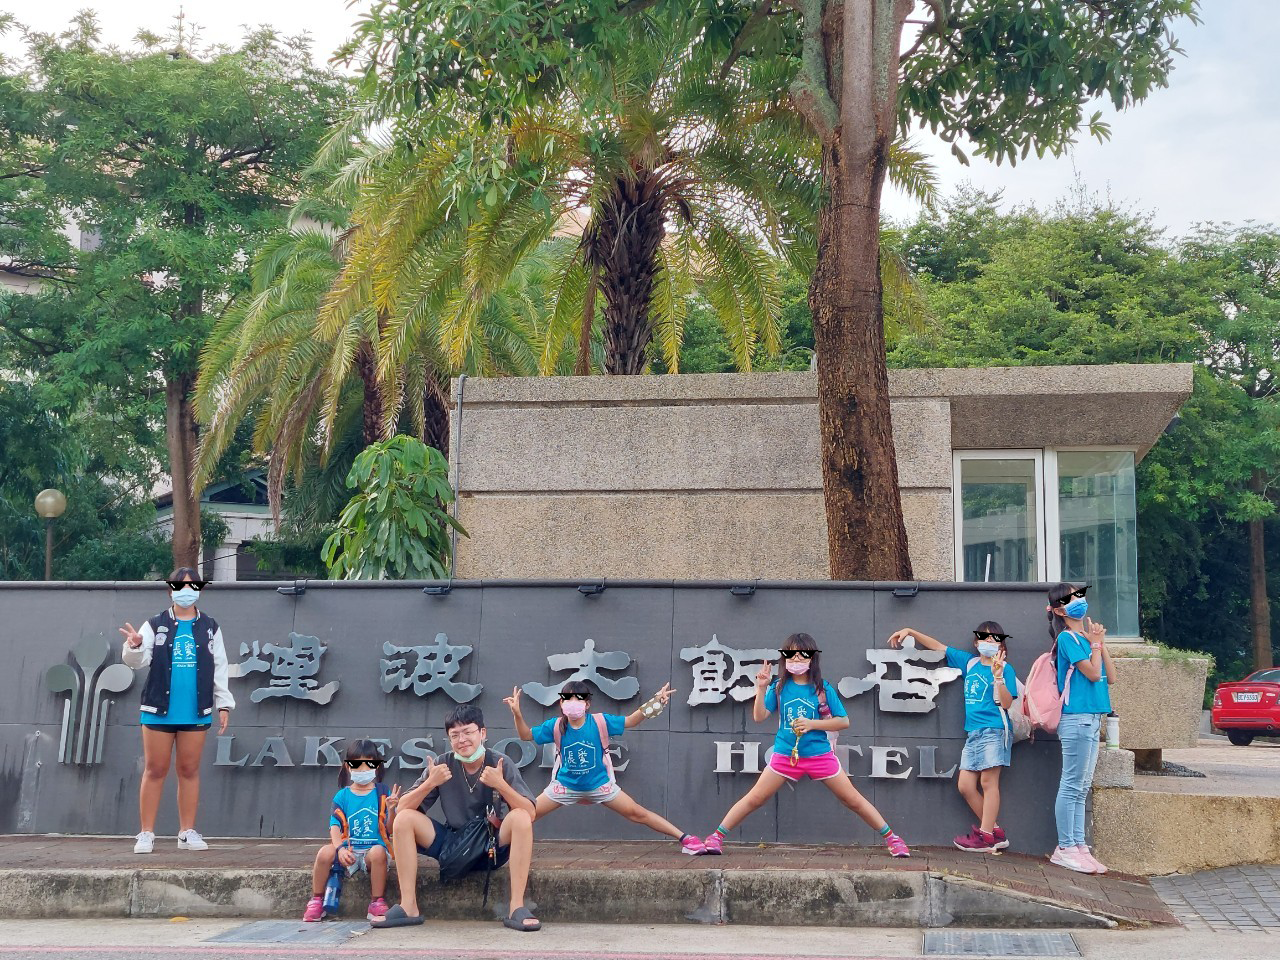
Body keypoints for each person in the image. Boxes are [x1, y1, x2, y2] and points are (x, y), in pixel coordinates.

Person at [701, 632, 911, 857]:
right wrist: (761, 688)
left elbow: (844, 721)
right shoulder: (779, 688)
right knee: (756, 798)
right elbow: (760, 716)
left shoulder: (822, 688)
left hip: (819, 755)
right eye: (791, 654)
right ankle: (716, 837)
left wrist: (812, 724)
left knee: (852, 799)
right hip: (785, 754)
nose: (797, 660)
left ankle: (893, 839)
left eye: (802, 655)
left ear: (812, 658)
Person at [372, 705, 541, 932]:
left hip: (491, 846)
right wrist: (431, 783)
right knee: (404, 820)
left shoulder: (500, 762)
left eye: (468, 732)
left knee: (519, 816)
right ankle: (408, 905)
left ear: (483, 733)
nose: (462, 740)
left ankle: (516, 907)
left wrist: (500, 785)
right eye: (455, 735)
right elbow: (401, 810)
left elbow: (530, 813)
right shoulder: (442, 764)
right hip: (453, 844)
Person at [504, 680, 706, 855]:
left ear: (587, 703)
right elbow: (525, 736)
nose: (572, 703)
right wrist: (517, 714)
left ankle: (685, 839)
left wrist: (656, 703)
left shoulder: (600, 721)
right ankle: (493, 846)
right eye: (567, 698)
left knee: (637, 813)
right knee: (527, 814)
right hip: (564, 786)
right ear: (561, 702)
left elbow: (631, 720)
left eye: (578, 698)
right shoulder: (555, 726)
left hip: (599, 785)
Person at [119, 567, 233, 854]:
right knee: (155, 769)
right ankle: (146, 833)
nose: (186, 592)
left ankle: (187, 831)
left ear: (200, 590)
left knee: (189, 770)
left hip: (196, 710)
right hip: (158, 708)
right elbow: (137, 660)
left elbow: (219, 666)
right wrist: (133, 646)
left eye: (193, 586)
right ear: (169, 590)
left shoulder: (210, 626)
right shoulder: (154, 624)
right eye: (180, 586)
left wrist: (224, 703)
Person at [886, 622, 1020, 853]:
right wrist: (911, 630)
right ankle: (995, 832)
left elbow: (1007, 704)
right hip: (973, 733)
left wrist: (998, 677)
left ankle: (986, 836)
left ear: (1001, 643)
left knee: (988, 783)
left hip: (994, 730)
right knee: (966, 786)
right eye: (984, 638)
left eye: (994, 639)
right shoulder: (970, 662)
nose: (989, 642)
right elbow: (939, 647)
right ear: (976, 642)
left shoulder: (1005, 669)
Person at [1046, 582, 1115, 875]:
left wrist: (1099, 642)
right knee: (1072, 784)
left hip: (1092, 717)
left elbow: (1110, 677)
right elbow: (1093, 672)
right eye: (1072, 598)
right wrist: (1095, 645)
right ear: (1060, 609)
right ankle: (1065, 847)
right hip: (1076, 718)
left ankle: (1079, 846)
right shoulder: (1066, 639)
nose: (1079, 601)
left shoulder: (1085, 639)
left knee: (1082, 786)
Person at [303, 739, 401, 922]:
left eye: (369, 763)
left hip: (373, 851)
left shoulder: (382, 793)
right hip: (347, 850)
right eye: (357, 764)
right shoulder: (343, 795)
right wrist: (339, 849)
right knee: (324, 853)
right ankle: (316, 899)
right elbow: (334, 826)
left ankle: (376, 901)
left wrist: (392, 809)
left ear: (377, 766)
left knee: (379, 852)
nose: (363, 769)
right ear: (348, 766)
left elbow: (389, 829)